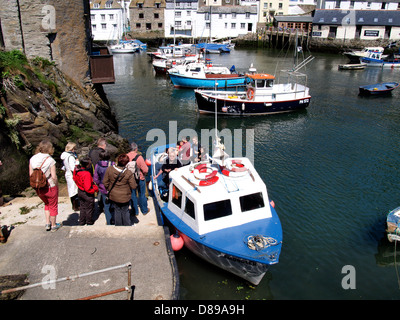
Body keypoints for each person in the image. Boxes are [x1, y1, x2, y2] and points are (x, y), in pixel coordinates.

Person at [29, 140, 61, 232]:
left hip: (38, 188)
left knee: (47, 204)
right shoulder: (50, 160)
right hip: (49, 186)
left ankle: (47, 223)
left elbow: (31, 175)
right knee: (53, 205)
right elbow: (54, 177)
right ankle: (54, 225)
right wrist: (57, 185)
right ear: (50, 149)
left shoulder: (32, 159)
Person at [103, 154, 137, 226]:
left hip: (114, 195)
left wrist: (110, 189)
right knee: (125, 211)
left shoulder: (110, 169)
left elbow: (105, 182)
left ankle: (118, 226)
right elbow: (133, 186)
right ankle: (127, 226)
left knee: (117, 211)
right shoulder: (128, 173)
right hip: (125, 196)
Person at [73, 157, 99, 226]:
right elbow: (88, 188)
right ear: (87, 165)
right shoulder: (86, 174)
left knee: (82, 207)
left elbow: (74, 178)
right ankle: (89, 221)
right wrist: (95, 189)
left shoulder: (77, 170)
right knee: (89, 208)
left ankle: (82, 221)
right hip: (87, 193)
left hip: (80, 190)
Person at [127, 142, 149, 216]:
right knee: (142, 194)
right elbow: (145, 169)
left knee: (133, 195)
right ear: (136, 149)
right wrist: (143, 174)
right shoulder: (139, 157)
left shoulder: (126, 157)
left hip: (130, 179)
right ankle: (144, 210)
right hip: (140, 178)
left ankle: (135, 212)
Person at [93, 150, 115, 225]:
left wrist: (100, 185)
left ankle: (109, 222)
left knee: (106, 205)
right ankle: (114, 219)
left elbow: (95, 178)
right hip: (112, 187)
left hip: (103, 188)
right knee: (113, 204)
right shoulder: (112, 164)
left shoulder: (97, 165)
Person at [60, 142, 80, 212]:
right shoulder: (71, 157)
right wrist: (77, 162)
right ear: (71, 148)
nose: (74, 150)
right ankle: (76, 206)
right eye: (73, 148)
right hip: (72, 175)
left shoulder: (65, 156)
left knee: (71, 190)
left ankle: (74, 205)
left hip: (67, 174)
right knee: (74, 190)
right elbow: (73, 168)